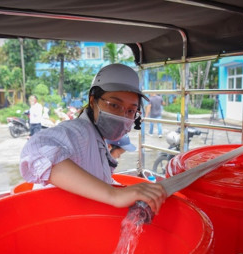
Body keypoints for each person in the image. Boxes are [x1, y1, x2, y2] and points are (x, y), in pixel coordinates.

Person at [20, 63, 166, 214]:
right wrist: (115, 195)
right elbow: (35, 150)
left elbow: (101, 182)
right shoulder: (80, 131)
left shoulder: (99, 138)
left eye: (130, 110)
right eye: (114, 105)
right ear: (92, 101)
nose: (122, 116)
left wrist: (126, 192)